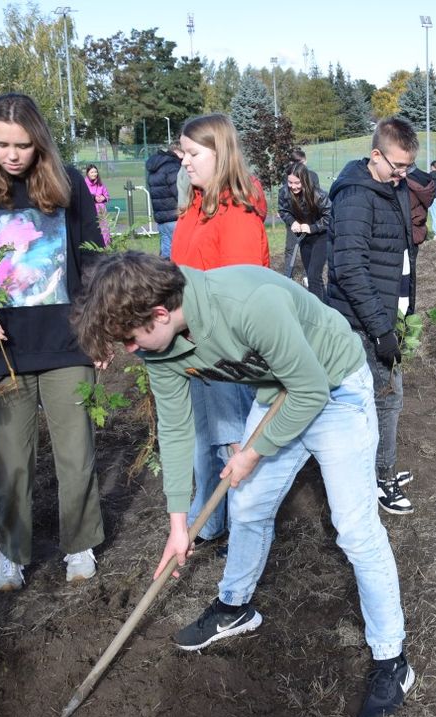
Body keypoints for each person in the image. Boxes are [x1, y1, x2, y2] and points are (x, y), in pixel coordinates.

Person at [71, 252, 413, 717]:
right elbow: (173, 429)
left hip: (333, 388)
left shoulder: (250, 303)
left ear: (160, 313)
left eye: (130, 338)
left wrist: (252, 452)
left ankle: (391, 657)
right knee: (247, 503)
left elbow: (311, 389)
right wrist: (178, 524)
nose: (129, 349)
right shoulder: (158, 345)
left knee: (355, 528)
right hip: (278, 395)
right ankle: (234, 607)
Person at [0, 92, 105, 591]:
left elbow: (93, 259)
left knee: (76, 453)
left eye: (24, 145)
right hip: (2, 351)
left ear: (40, 143)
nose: (13, 155)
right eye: (2, 144)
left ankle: (79, 545)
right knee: (11, 460)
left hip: (66, 342)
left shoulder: (67, 183)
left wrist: (98, 329)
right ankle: (12, 553)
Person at [171, 113, 270, 548]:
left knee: (232, 443)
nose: (184, 161)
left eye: (192, 153)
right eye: (182, 152)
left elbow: (244, 297)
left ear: (220, 152)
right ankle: (209, 521)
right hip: (193, 343)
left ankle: (250, 527)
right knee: (203, 438)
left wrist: (212, 344)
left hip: (224, 352)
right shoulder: (196, 206)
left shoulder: (236, 216)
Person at [328, 117, 419, 516]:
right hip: (362, 323)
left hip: (385, 316)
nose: (402, 175)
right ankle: (379, 479)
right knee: (382, 399)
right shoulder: (356, 197)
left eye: (408, 167)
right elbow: (348, 268)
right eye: (397, 166)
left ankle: (382, 468)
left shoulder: (388, 188)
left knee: (387, 397)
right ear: (375, 154)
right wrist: (381, 329)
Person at [278, 162, 331, 302]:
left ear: (304, 180)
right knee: (314, 277)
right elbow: (283, 211)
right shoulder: (284, 193)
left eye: (297, 183)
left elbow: (330, 217)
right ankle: (327, 306)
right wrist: (292, 222)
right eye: (290, 182)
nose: (293, 186)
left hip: (321, 236)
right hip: (304, 238)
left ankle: (318, 314)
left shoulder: (318, 195)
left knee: (313, 276)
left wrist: (312, 227)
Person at [145, 142, 184, 258]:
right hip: (175, 216)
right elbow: (179, 192)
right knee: (180, 254)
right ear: (177, 152)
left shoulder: (155, 167)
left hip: (161, 219)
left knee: (166, 254)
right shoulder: (173, 167)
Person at [83, 164, 111, 246]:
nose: (94, 174)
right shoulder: (84, 185)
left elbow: (107, 196)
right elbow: (84, 197)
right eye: (92, 172)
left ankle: (106, 246)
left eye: (95, 172)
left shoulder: (101, 185)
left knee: (104, 230)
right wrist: (94, 198)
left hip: (101, 211)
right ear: (88, 173)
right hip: (89, 211)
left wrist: (104, 198)